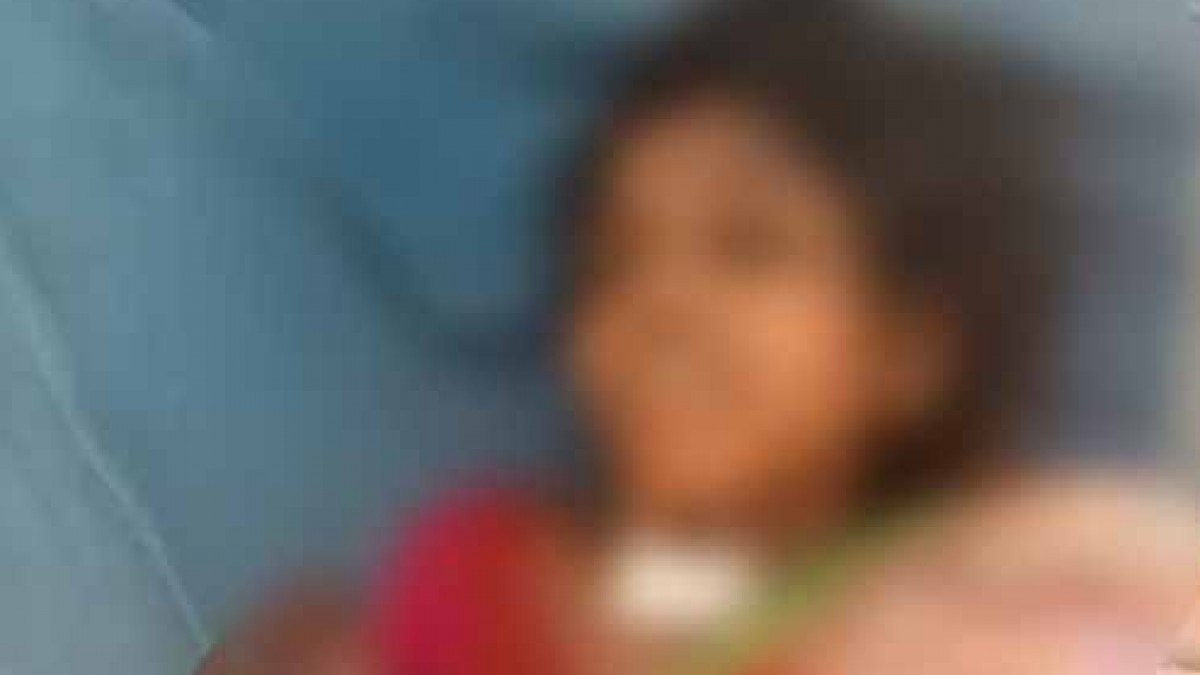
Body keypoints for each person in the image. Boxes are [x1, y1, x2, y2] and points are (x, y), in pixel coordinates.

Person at [197, 1, 1197, 673]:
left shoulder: (997, 580)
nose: (660, 303)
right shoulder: (480, 570)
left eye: (748, 245)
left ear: (910, 350)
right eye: (612, 260)